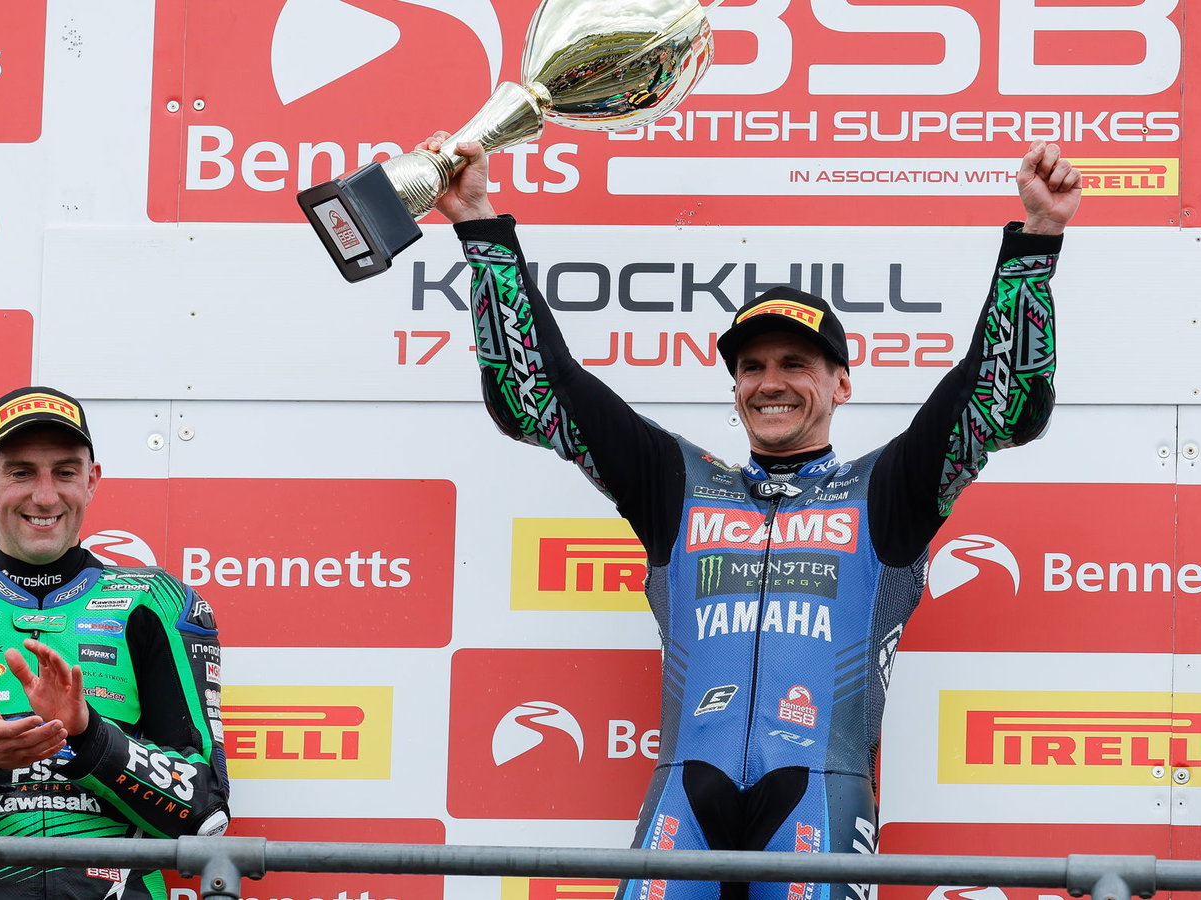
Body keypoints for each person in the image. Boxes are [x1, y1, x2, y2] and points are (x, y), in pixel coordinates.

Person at [426, 133, 1079, 900]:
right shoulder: (678, 483)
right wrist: (480, 225)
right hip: (684, 798)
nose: (770, 382)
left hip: (820, 800)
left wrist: (1036, 240)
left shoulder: (887, 490)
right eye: (751, 367)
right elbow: (539, 394)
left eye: (796, 363)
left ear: (842, 384)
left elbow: (997, 402)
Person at [0, 386, 230, 900]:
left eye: (64, 472)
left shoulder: (157, 601)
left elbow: (206, 812)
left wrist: (90, 735)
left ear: (91, 481)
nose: (45, 497)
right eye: (21, 473)